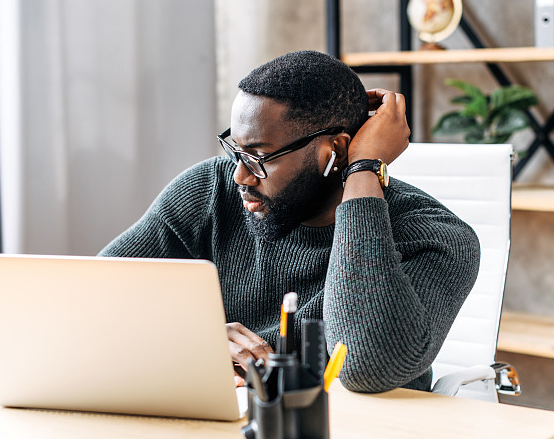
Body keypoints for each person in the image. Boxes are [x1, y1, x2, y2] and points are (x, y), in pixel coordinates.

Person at [99, 50, 480, 393]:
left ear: (336, 150)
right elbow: (87, 301)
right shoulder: (207, 193)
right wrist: (191, 338)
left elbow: (366, 367)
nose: (240, 177)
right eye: (236, 150)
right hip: (234, 432)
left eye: (259, 157)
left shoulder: (435, 237)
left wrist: (363, 170)